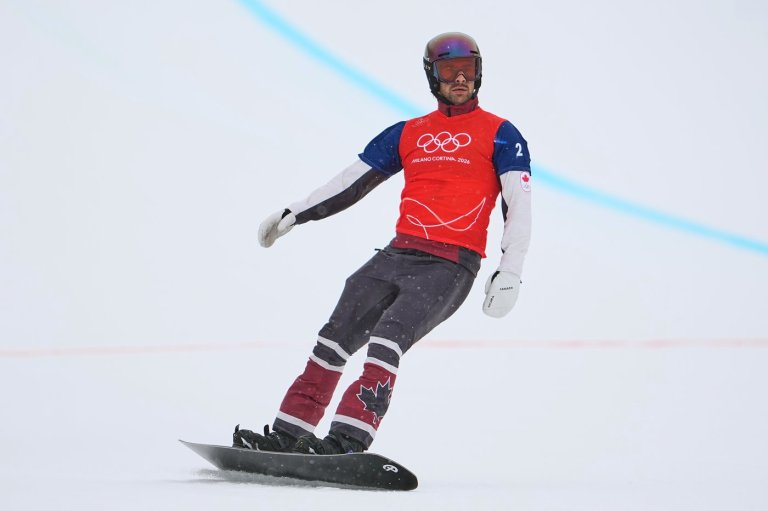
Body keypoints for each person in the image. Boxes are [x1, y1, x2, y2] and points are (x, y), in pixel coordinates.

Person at [233, 32, 532, 455]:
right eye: (449, 70)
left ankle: (347, 440)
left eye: (469, 69)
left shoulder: (502, 133)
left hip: (450, 265)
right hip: (397, 254)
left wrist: (511, 268)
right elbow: (349, 183)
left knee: (387, 339)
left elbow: (518, 205)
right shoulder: (408, 132)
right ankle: (288, 432)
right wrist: (296, 212)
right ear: (433, 76)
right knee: (335, 336)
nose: (461, 78)